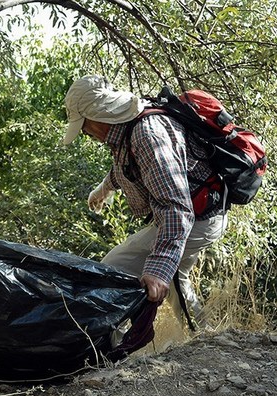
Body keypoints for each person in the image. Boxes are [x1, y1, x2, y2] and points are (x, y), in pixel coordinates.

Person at [62, 74, 228, 338]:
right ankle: (204, 337)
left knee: (111, 271)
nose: (84, 133)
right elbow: (130, 168)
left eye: (83, 126)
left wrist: (157, 268)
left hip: (195, 219)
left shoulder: (146, 134)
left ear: (96, 116)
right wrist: (104, 189)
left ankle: (107, 349)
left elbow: (176, 207)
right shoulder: (128, 127)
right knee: (177, 279)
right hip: (202, 214)